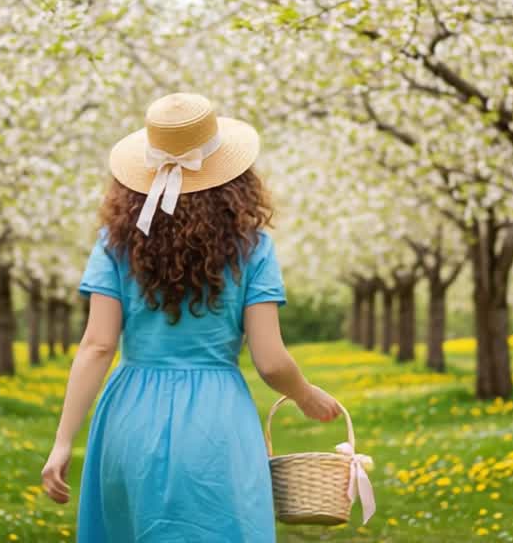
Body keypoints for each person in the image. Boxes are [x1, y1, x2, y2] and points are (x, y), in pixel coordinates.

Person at [40, 92, 340, 542]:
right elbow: (271, 361)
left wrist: (62, 442)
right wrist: (304, 395)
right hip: (217, 418)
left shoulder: (116, 243)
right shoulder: (253, 247)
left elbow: (98, 345)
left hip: (129, 415)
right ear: (234, 176)